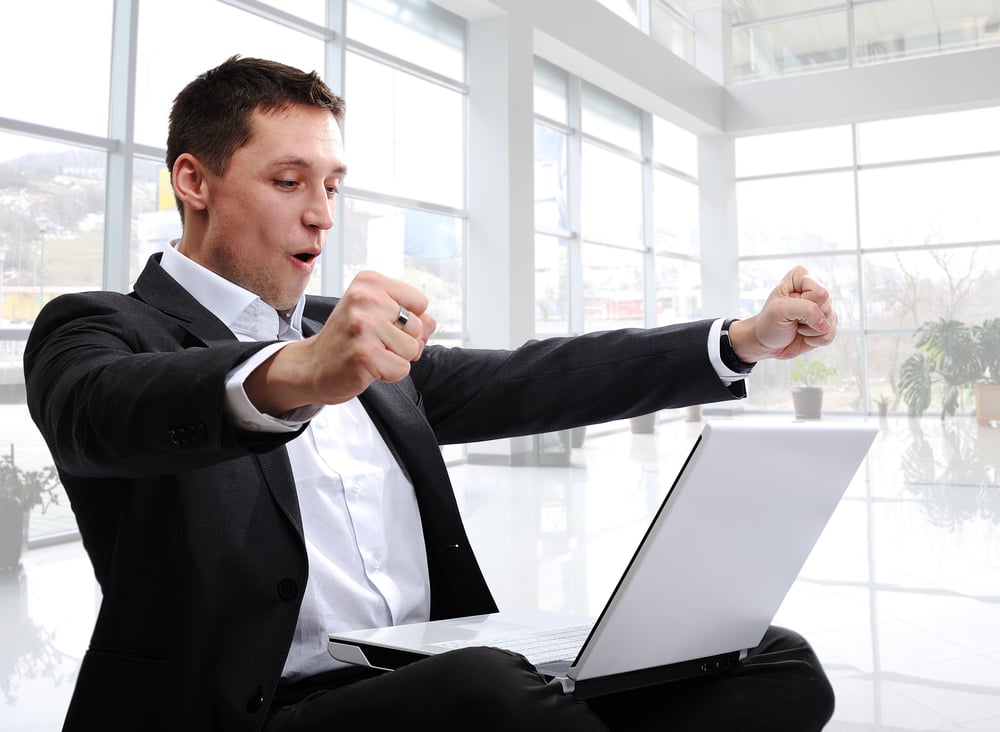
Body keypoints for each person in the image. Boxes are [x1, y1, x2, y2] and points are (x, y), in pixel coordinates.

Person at [24, 56, 839, 732]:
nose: (321, 215)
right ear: (194, 182)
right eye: (287, 180)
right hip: (257, 710)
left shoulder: (347, 336)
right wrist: (294, 375)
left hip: (419, 680)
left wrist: (739, 340)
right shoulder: (99, 328)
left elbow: (534, 377)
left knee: (775, 660)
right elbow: (105, 410)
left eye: (333, 186)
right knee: (487, 695)